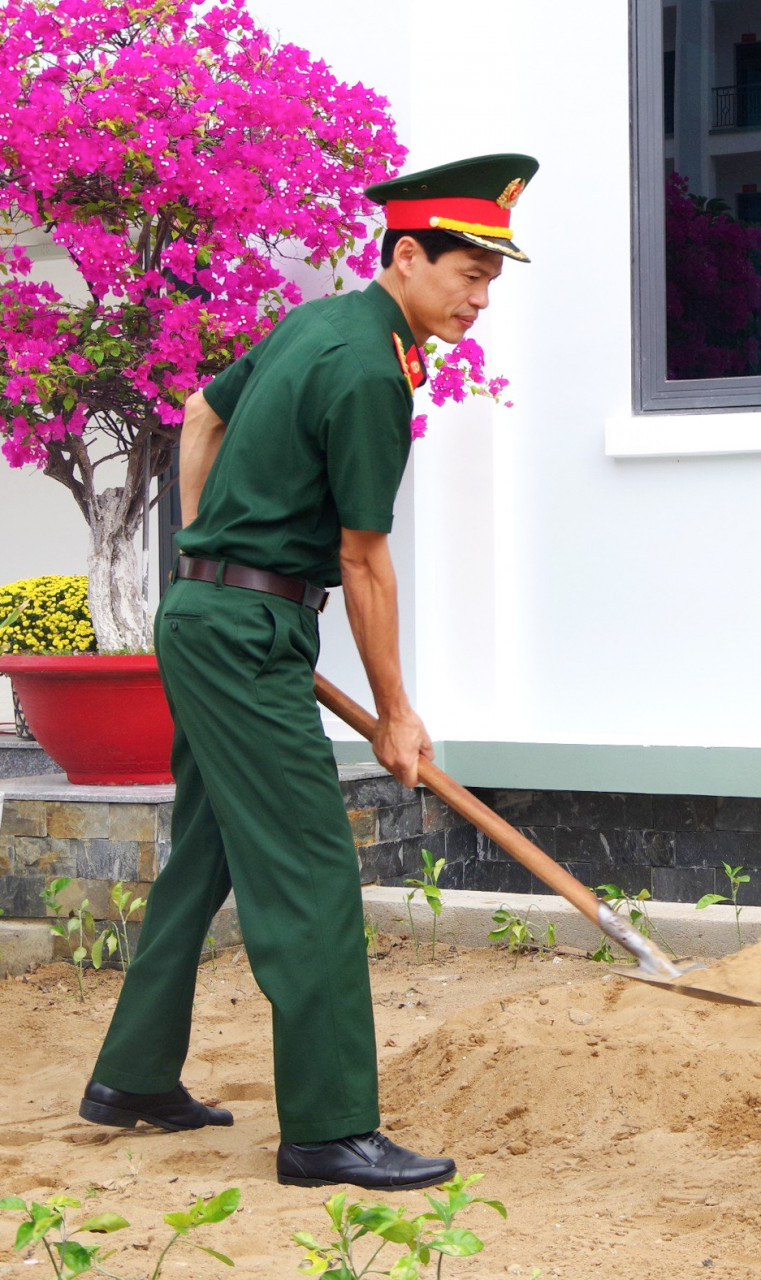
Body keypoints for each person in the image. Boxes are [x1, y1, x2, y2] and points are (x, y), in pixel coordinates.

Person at [76, 154, 538, 1190]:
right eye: (468, 274)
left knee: (208, 847)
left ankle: (135, 1074)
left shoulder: (313, 322)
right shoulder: (373, 368)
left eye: (492, 283)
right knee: (314, 869)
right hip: (244, 636)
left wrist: (206, 551)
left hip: (208, 617)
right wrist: (397, 714)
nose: (479, 299)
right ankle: (329, 1128)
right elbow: (364, 558)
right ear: (406, 255)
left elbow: (201, 413)